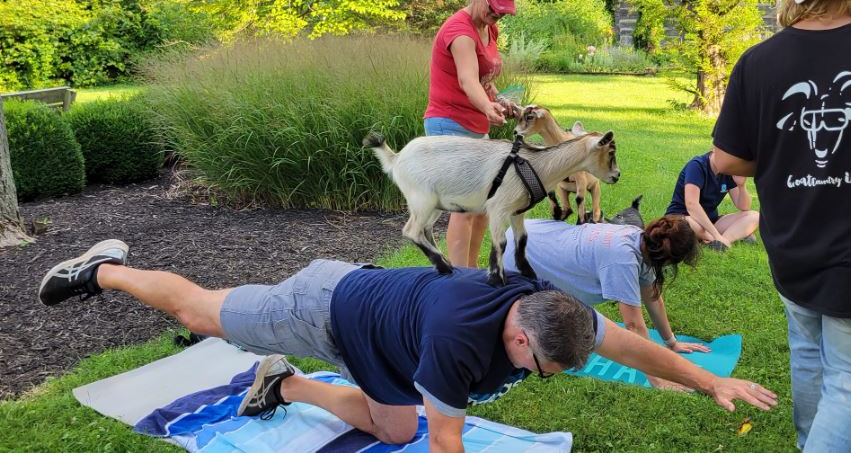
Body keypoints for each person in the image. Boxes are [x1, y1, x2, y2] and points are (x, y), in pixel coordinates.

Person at [39, 240, 776, 451]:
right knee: (201, 313)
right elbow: (446, 444)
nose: (547, 376)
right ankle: (101, 268)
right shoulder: (459, 345)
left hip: (383, 346)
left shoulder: (560, 314)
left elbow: (633, 349)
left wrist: (708, 381)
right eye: (543, 370)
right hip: (324, 308)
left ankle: (283, 385)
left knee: (392, 427)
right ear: (517, 334)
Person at [711, 0, 851, 450]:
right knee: (848, 380)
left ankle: (807, 440)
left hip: (792, 242)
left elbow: (725, 159)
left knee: (808, 353)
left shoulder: (759, 60)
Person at [504, 216, 709, 391]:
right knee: (527, 322)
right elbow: (633, 326)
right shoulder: (623, 259)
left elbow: (653, 297)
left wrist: (671, 342)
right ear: (668, 259)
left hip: (534, 232)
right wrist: (657, 378)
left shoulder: (642, 242)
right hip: (524, 248)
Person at [423, 0, 516, 269]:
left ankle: (471, 272)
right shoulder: (459, 30)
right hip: (448, 125)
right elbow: (467, 80)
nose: (497, 15)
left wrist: (500, 100)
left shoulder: (489, 28)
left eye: (503, 11)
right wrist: (488, 108)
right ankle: (460, 279)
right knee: (464, 207)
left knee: (482, 206)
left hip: (474, 126)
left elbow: (484, 79)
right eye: (493, 8)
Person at [664, 150, 759, 251]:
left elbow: (744, 207)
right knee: (686, 223)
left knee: (754, 216)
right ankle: (718, 238)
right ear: (716, 150)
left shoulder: (728, 170)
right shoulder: (697, 166)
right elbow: (692, 205)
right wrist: (716, 234)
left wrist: (741, 186)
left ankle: (722, 242)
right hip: (682, 219)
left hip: (710, 222)